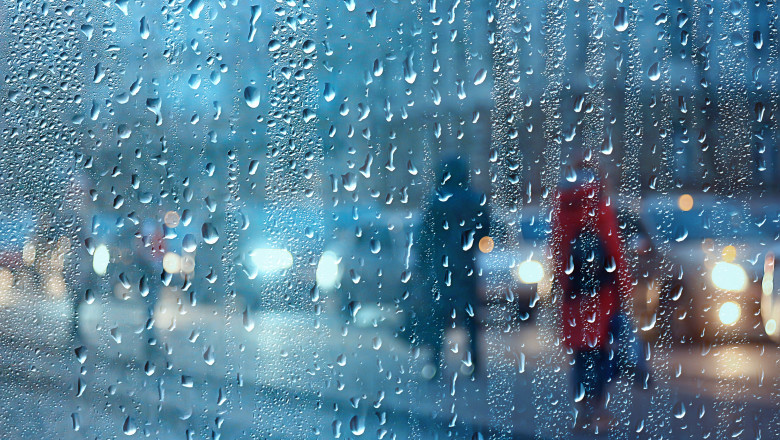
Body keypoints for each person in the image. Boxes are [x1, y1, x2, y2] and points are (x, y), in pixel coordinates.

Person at [550, 159, 632, 431]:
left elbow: (557, 253)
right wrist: (625, 288)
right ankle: (598, 411)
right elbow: (613, 249)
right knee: (600, 355)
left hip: (574, 297)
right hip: (603, 295)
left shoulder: (561, 206)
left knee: (580, 356)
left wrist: (565, 286)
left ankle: (582, 412)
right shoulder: (598, 205)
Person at [413, 156, 490, 379]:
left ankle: (434, 364)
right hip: (466, 265)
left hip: (441, 267)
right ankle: (474, 363)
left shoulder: (436, 200)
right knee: (470, 317)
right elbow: (485, 230)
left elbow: (424, 238)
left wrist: (421, 266)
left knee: (438, 317)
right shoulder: (474, 199)